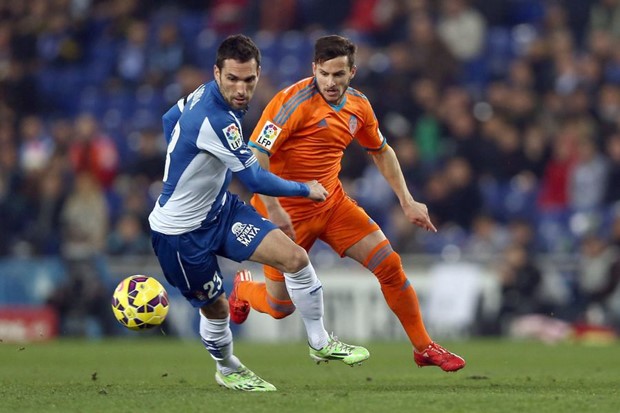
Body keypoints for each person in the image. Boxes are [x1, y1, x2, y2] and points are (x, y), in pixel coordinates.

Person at [229, 35, 465, 372]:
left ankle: (424, 347)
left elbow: (381, 150)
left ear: (351, 72)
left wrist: (407, 200)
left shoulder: (359, 106)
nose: (330, 82)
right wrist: (276, 208)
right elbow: (256, 155)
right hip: (284, 213)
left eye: (338, 74)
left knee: (389, 265)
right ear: (314, 69)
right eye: (324, 73)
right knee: (280, 307)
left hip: (331, 204)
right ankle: (243, 290)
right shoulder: (290, 103)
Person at [149, 34, 369, 393]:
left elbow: (168, 118)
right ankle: (228, 367)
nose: (241, 89)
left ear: (258, 74)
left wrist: (185, 157)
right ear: (217, 72)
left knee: (295, 258)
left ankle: (319, 341)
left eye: (249, 80)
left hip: (220, 211)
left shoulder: (204, 93)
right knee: (216, 308)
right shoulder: (216, 118)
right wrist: (305, 188)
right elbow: (252, 177)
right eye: (233, 79)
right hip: (179, 233)